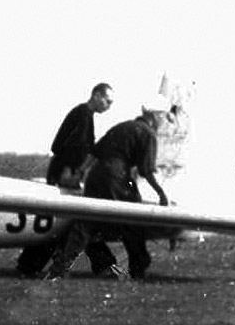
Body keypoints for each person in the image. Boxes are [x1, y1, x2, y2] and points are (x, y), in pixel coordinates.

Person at [44, 95, 172, 281]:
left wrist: (79, 174)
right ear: (156, 116)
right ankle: (138, 269)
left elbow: (94, 153)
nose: (164, 122)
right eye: (164, 117)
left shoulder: (122, 126)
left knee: (86, 223)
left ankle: (59, 269)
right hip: (116, 178)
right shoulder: (147, 134)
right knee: (132, 221)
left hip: (96, 176)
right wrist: (161, 194)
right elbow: (146, 170)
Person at [15, 83, 114, 276]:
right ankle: (103, 264)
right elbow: (74, 147)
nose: (109, 106)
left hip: (61, 170)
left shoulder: (83, 114)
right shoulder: (84, 115)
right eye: (107, 101)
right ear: (96, 95)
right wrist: (70, 172)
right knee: (66, 221)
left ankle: (28, 265)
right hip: (65, 173)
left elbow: (61, 145)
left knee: (63, 221)